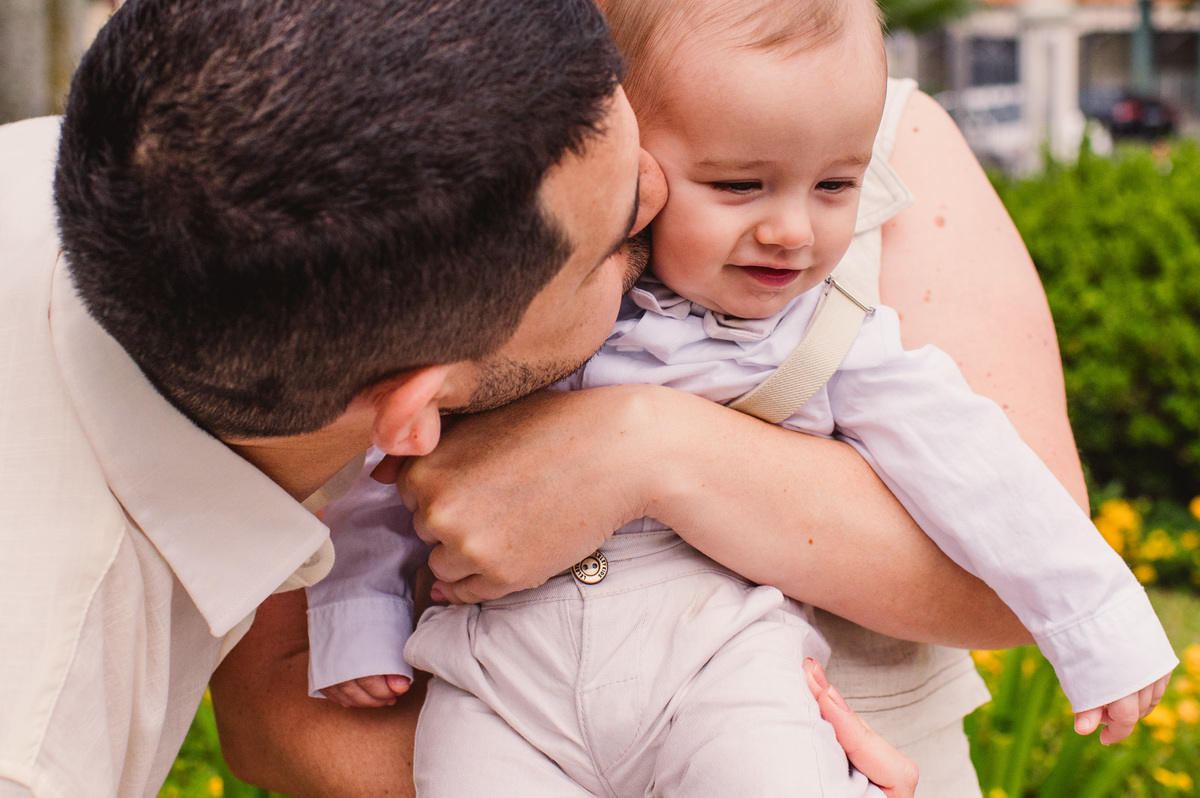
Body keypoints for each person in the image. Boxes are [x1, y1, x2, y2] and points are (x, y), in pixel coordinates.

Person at [206, 12, 1123, 798]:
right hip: (495, 702)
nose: (794, 229)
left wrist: (645, 451)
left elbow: (1002, 515)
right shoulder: (429, 135)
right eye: (735, 184)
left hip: (764, 705)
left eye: (836, 187)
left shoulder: (872, 165)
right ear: (631, 169)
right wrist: (367, 624)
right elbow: (352, 520)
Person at [0, 0, 671, 794]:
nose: (664, 190)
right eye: (620, 231)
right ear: (410, 411)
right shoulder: (45, 738)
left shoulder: (130, 158)